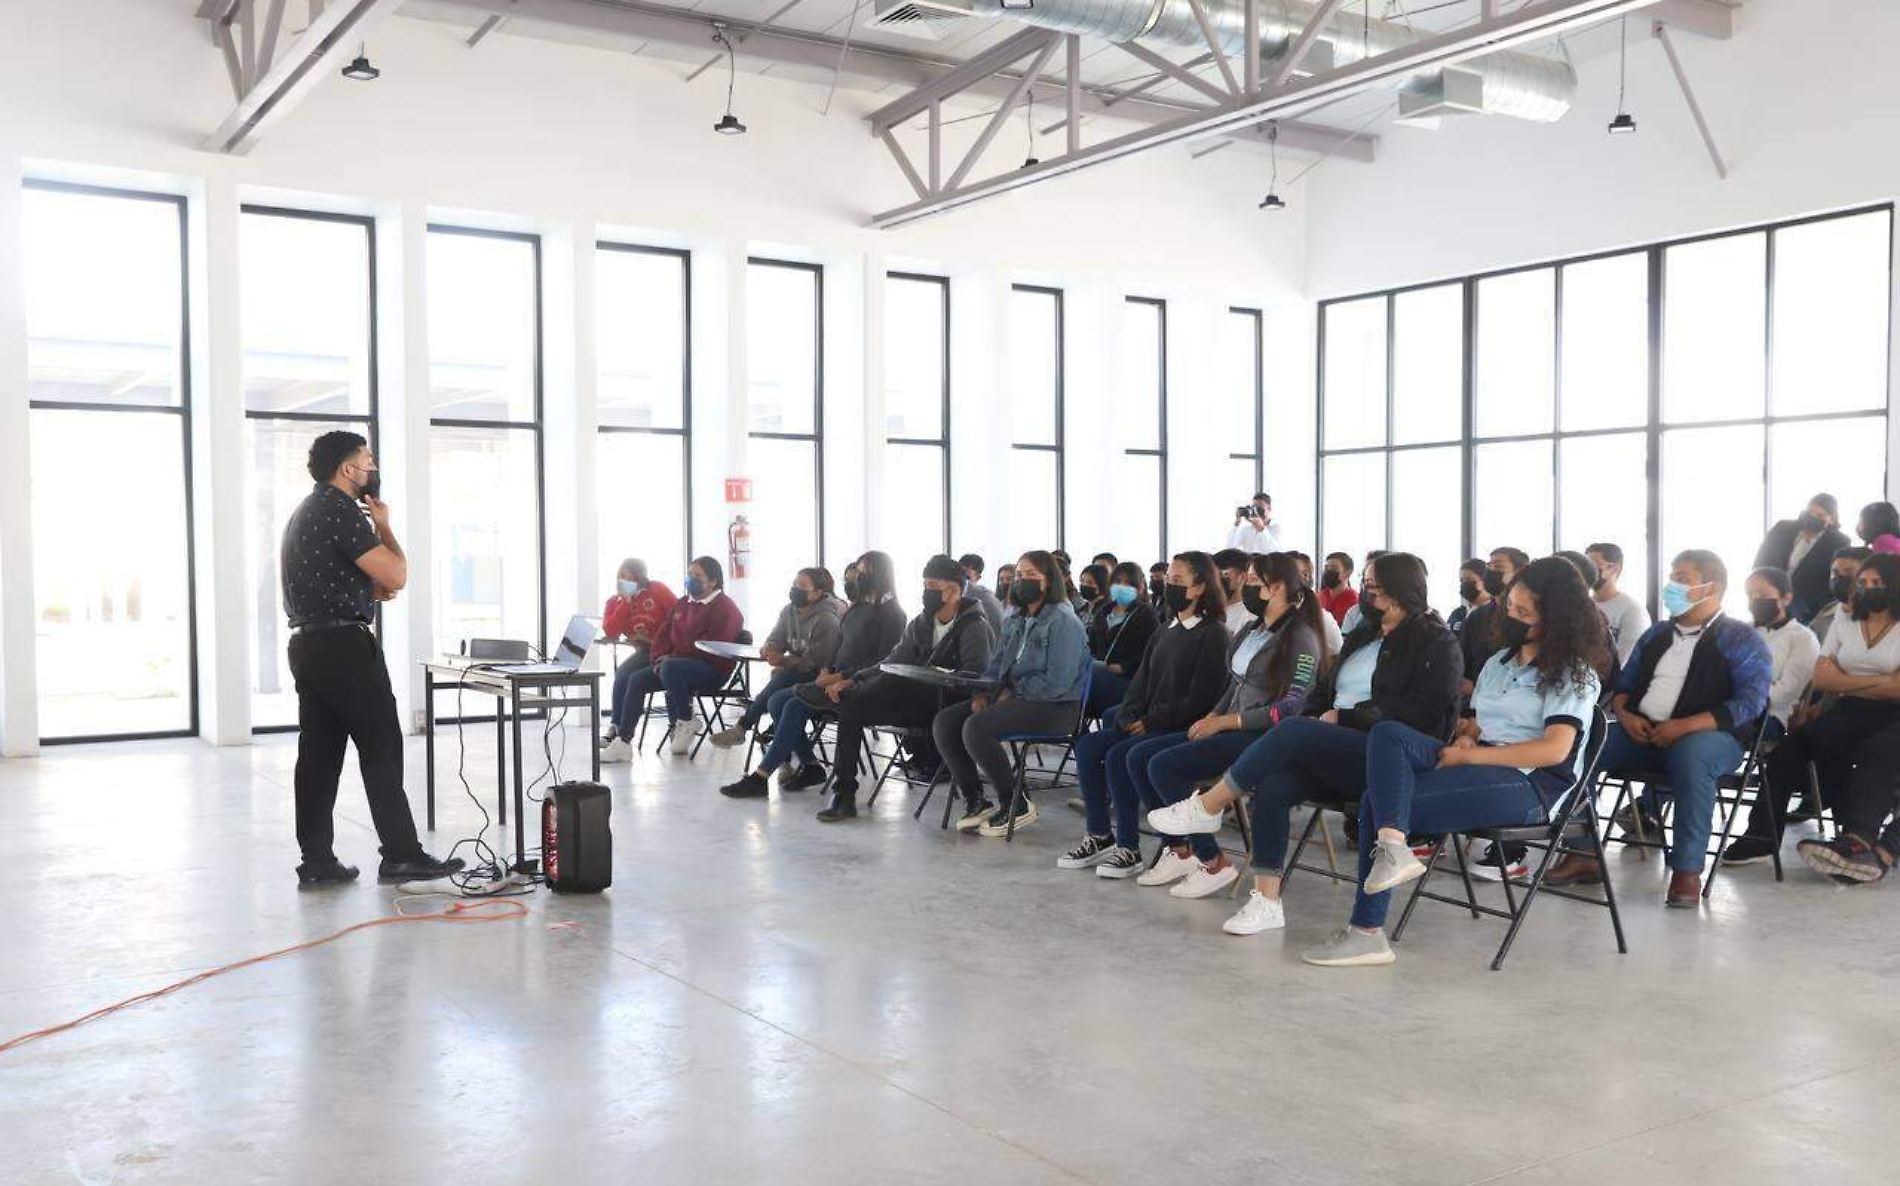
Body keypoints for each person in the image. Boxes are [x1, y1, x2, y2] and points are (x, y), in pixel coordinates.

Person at [1299, 556, 1610, 967]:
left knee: (1379, 802)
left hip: (1530, 783)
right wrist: (1467, 737)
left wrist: (1473, 754)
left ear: (1556, 621)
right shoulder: (1501, 663)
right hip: (1479, 762)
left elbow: (1554, 749)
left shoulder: (1573, 674)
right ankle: (1394, 850)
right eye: (1510, 607)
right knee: (1387, 733)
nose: (1511, 618)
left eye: (1524, 613)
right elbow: (1478, 724)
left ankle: (1368, 929)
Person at [1148, 552, 1462, 937]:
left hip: (1390, 753)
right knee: (1275, 785)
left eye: (1371, 587)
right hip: (1336, 746)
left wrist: (1342, 718)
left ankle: (1209, 805)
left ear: (1398, 591)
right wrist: (1321, 715)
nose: (1364, 593)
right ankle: (1266, 901)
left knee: (1293, 730)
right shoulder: (1363, 633)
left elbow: (1423, 713)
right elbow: (1323, 691)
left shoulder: (1435, 641)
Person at [281, 431, 460, 885]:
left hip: (309, 646)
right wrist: (383, 524)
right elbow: (396, 573)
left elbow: (381, 586)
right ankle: (402, 854)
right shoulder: (340, 511)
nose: (372, 468)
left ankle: (317, 861)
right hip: (344, 647)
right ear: (348, 469)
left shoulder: (307, 510)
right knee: (381, 745)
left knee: (318, 757)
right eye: (368, 460)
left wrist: (377, 581)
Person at [1545, 550, 1771, 906]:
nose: (1672, 585)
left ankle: (1686, 872)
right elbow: (1623, 687)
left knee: (1693, 755)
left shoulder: (1741, 639)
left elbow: (1750, 703)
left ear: (1712, 588)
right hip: (1643, 732)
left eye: (1683, 578)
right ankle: (1582, 852)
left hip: (1712, 738)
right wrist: (1627, 715)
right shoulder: (1657, 635)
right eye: (1672, 577)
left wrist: (1684, 727)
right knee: (1581, 741)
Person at [1135, 553, 1333, 897]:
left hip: (1263, 738)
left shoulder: (1301, 638)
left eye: (1255, 580)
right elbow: (1234, 683)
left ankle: (1212, 861)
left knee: (1164, 765)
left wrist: (1228, 721)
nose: (1246, 585)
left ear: (1277, 588)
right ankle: (1179, 850)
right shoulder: (1251, 629)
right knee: (1139, 758)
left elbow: (1290, 709)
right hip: (1229, 726)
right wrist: (1214, 716)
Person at [1059, 552, 1233, 883]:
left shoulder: (1213, 633)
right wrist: (1129, 714)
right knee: (1088, 747)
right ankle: (1099, 835)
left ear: (1199, 588)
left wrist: (1151, 721)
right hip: (1149, 721)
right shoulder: (1167, 627)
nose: (1169, 585)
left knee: (1120, 755)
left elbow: (1202, 697)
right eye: (1168, 579)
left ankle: (1134, 846)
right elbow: (1140, 681)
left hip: (1181, 727)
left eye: (1178, 581)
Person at [1725, 553, 1900, 874]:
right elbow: (1822, 678)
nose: (1868, 588)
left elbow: (1896, 690)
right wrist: (1882, 680)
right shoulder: (1844, 619)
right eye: (1863, 583)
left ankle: (1855, 840)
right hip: (1851, 707)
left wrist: (1848, 680)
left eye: (1878, 583)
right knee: (1791, 750)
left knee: (1872, 753)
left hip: (1894, 714)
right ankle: (1761, 837)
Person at [809, 555, 995, 821]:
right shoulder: (922, 622)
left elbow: (972, 676)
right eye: (924, 585)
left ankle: (842, 695)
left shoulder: (974, 625)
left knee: (890, 682)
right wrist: (854, 678)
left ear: (954, 590)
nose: (926, 592)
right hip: (912, 699)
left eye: (933, 586)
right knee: (853, 700)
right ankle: (844, 794)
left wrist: (933, 675)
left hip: (947, 703)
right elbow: (893, 659)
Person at [716, 552, 906, 797]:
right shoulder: (857, 609)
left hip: (859, 687)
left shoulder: (893, 614)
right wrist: (828, 669)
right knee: (776, 700)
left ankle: (761, 776)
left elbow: (882, 662)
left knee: (793, 705)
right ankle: (811, 765)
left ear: (879, 575)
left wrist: (841, 677)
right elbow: (839, 647)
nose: (857, 577)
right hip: (833, 679)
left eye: (863, 572)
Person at [934, 551, 1090, 836]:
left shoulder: (1064, 621)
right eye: (1019, 576)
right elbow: (996, 665)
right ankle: (976, 800)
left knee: (977, 728)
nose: (1022, 581)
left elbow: (1058, 681)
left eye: (1032, 575)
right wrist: (984, 692)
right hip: (1015, 699)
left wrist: (1012, 692)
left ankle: (1014, 803)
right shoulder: (1016, 617)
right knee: (945, 722)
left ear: (1049, 581)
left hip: (1054, 707)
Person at [602, 556, 744, 760]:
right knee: (636, 679)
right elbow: (662, 636)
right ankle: (623, 742)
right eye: (690, 574)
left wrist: (673, 658)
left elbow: (711, 646)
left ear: (713, 581)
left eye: (697, 575)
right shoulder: (683, 603)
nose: (691, 579)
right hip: (675, 666)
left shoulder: (726, 609)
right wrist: (659, 657)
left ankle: (685, 719)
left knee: (670, 667)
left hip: (711, 669)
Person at [709, 567, 843, 747]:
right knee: (780, 682)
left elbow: (815, 663)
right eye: (795, 583)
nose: (795, 588)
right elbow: (776, 637)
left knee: (781, 681)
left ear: (817, 593)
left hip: (821, 678)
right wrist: (769, 648)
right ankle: (776, 749)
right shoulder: (789, 611)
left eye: (802, 586)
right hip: (796, 672)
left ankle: (744, 727)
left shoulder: (827, 619)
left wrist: (784, 661)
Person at [601, 558, 680, 745]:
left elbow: (678, 616)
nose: (623, 581)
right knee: (624, 674)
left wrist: (660, 639)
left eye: (628, 577)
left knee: (629, 674)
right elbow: (610, 630)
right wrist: (626, 602)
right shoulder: (614, 602)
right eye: (620, 576)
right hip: (644, 651)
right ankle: (617, 726)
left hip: (666, 648)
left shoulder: (657, 590)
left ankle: (676, 725)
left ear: (640, 578)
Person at [1745, 567, 1820, 738]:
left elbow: (1786, 692)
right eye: (1750, 595)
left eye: (1763, 595)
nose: (1755, 599)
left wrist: (1741, 697)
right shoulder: (1741, 631)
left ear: (1786, 598)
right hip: (1725, 706)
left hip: (1769, 717)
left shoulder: (1803, 638)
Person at [1755, 494, 1848, 622]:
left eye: (1821, 515)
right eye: (1810, 512)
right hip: (1771, 590)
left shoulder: (1839, 542)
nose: (1813, 517)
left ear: (1832, 519)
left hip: (1806, 602)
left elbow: (1828, 581)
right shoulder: (1782, 528)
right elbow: (1762, 560)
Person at [1084, 562, 1160, 717]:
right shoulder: (1103, 613)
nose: (1122, 587)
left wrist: (1125, 667)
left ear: (1139, 588)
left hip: (1128, 679)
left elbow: (1154, 652)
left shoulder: (1145, 614)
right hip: (1099, 672)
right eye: (1117, 582)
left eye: (1128, 583)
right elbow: (1091, 646)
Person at [1460, 547, 1530, 699]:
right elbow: (1464, 666)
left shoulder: (1527, 618)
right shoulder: (1477, 617)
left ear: (1519, 572)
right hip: (1476, 701)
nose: (1491, 571)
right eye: (1488, 566)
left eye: (1498, 567)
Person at [1585, 542, 1651, 667]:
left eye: (1593, 566)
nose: (1589, 572)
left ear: (1614, 568)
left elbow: (1625, 661)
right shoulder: (1583, 606)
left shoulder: (1632, 610)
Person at [1810, 546, 1871, 649]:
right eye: (1835, 573)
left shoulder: (1883, 618)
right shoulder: (1828, 612)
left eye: (1849, 572)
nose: (1840, 578)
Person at [959, 553, 1006, 635]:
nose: (960, 581)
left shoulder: (981, 599)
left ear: (978, 577)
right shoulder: (988, 595)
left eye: (966, 577)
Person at [1214, 547, 1254, 635]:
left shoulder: (1249, 615)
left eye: (1224, 574)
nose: (1217, 581)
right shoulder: (1206, 608)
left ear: (1243, 577)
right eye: (1213, 576)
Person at [1447, 559, 1488, 638]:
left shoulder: (1495, 614)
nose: (1464, 584)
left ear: (1484, 581)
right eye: (1462, 580)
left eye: (1468, 579)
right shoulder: (1457, 614)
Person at [1318, 552, 1358, 625]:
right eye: (1326, 568)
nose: (1328, 571)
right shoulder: (1320, 596)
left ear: (1347, 573)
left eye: (1333, 568)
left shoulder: (1354, 601)